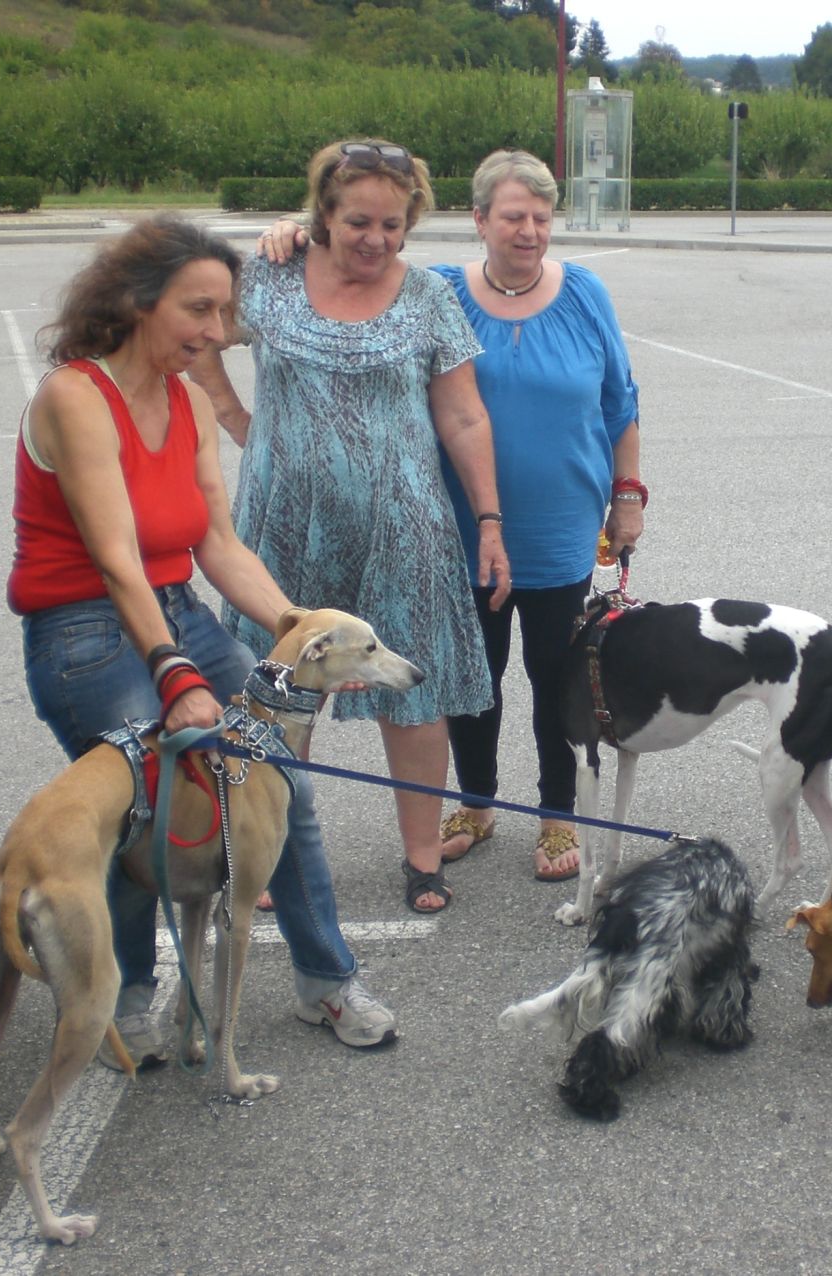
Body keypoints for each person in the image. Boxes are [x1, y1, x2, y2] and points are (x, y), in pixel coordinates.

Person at [9, 214, 396, 1068]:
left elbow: (219, 545)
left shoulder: (184, 400)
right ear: (135, 302)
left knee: (280, 784)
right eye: (198, 310)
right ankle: (128, 998)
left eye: (225, 313)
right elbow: (116, 560)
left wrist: (300, 630)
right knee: (142, 806)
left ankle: (326, 979)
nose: (217, 333)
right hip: (83, 628)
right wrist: (175, 674)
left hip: (177, 609)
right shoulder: (76, 396)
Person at [260, 148, 642, 884]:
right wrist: (294, 233)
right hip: (457, 527)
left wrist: (628, 497)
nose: (529, 231)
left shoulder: (584, 293)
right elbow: (353, 266)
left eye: (541, 217)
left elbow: (621, 403)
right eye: (514, 216)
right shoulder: (437, 291)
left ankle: (557, 812)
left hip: (561, 526)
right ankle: (475, 803)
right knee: (471, 678)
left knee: (558, 676)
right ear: (479, 220)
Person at [192, 139, 508, 916]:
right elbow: (193, 337)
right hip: (281, 528)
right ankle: (268, 855)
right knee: (278, 691)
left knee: (411, 699)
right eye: (359, 221)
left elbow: (464, 416)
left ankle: (423, 858)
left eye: (392, 225)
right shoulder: (267, 276)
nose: (376, 238)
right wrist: (232, 414)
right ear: (323, 216)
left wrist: (489, 520)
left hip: (403, 531)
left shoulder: (429, 296)